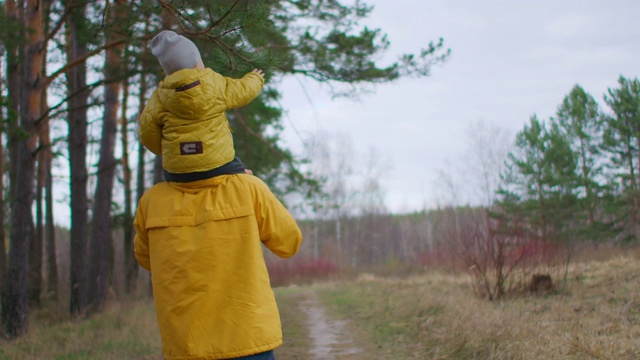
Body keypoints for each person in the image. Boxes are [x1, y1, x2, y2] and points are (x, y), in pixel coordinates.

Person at [134, 30, 303, 360]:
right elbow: (289, 242)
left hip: (187, 346)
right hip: (248, 340)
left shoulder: (152, 202)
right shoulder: (247, 188)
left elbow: (146, 258)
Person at [139, 30, 265, 182]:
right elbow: (243, 91)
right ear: (197, 62)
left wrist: (166, 150)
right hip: (219, 165)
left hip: (176, 172)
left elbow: (147, 135)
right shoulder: (213, 83)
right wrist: (255, 78)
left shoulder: (158, 98)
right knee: (244, 174)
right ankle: (243, 177)